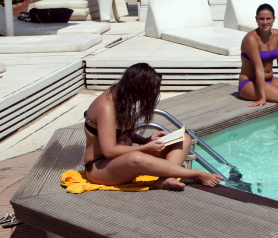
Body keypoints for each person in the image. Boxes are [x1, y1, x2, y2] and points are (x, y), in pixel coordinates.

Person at [82, 63, 221, 190]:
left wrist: (145, 140)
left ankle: (165, 179)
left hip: (122, 159)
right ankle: (196, 175)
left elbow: (119, 133)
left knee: (183, 138)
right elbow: (109, 151)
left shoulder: (123, 96)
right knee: (135, 157)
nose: (147, 99)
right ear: (137, 89)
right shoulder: (106, 107)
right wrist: (145, 148)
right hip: (101, 167)